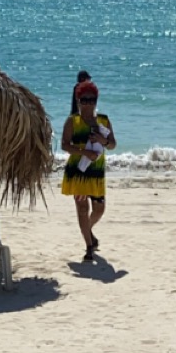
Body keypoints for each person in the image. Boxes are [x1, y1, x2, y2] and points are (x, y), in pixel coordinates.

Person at [61, 76, 116, 260]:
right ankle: (89, 246)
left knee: (99, 209)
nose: (88, 104)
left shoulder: (103, 121)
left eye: (92, 100)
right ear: (78, 101)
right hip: (78, 172)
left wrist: (102, 140)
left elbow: (112, 145)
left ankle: (87, 230)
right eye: (85, 100)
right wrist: (84, 152)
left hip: (96, 173)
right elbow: (64, 145)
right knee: (83, 209)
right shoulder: (72, 121)